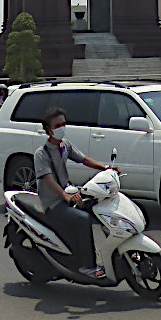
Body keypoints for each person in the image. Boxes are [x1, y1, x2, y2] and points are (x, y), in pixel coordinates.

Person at [33, 106, 117, 278]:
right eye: (57, 126)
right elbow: (48, 179)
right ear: (48, 129)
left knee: (99, 207)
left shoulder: (65, 146)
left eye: (64, 124)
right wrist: (65, 196)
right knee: (83, 220)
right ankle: (87, 266)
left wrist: (106, 168)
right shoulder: (41, 154)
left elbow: (84, 159)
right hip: (53, 203)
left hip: (68, 195)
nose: (62, 128)